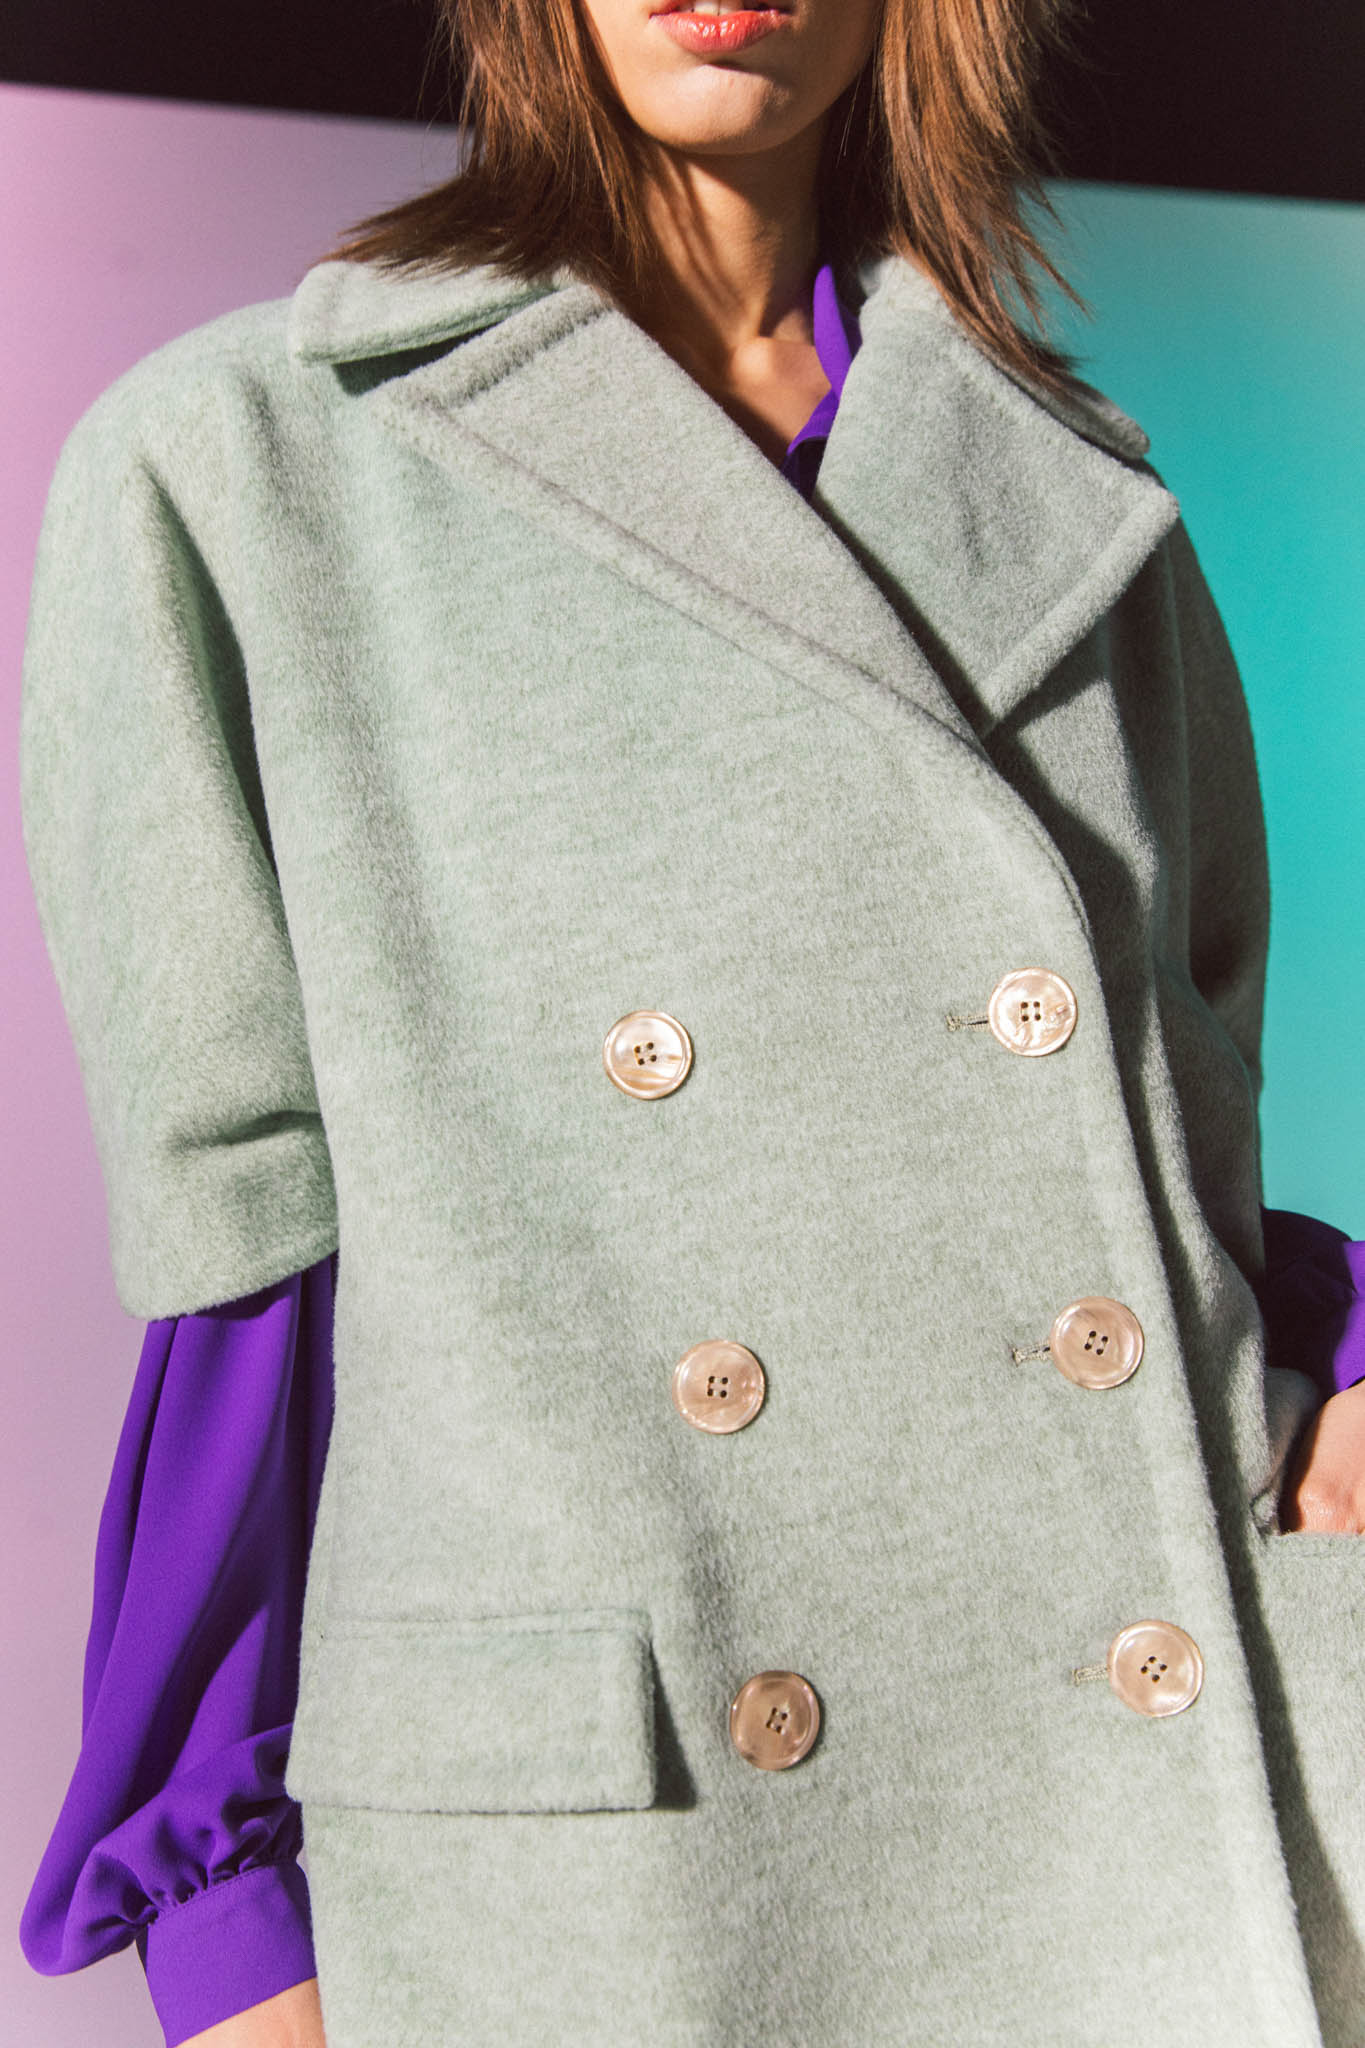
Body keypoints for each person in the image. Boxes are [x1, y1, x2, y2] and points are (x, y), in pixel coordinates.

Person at [16, 1, 1365, 2043]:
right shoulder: (239, 468)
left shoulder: (1076, 495)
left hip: (1153, 1823)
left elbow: (1172, 1160)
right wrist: (223, 1929)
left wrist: (1343, 1357)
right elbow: (243, 1276)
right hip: (628, 1889)